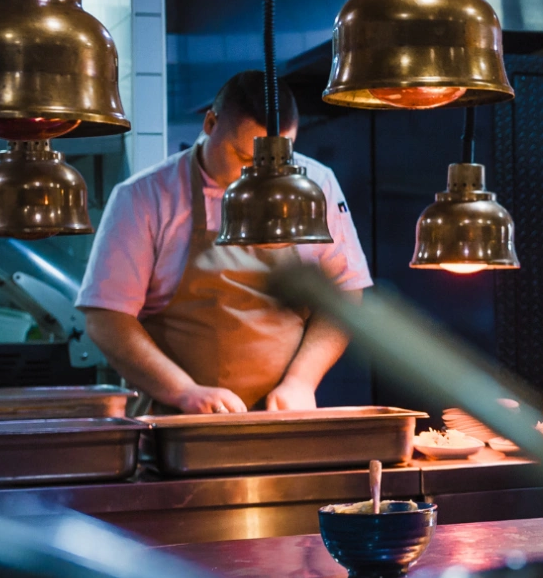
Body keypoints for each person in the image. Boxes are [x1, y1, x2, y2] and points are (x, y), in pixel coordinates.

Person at [77, 71, 372, 414]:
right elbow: (106, 317)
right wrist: (183, 391)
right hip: (177, 423)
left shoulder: (316, 185)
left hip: (284, 417)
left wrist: (302, 380)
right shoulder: (143, 196)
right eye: (246, 158)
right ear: (210, 123)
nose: (259, 176)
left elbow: (345, 292)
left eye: (279, 161)